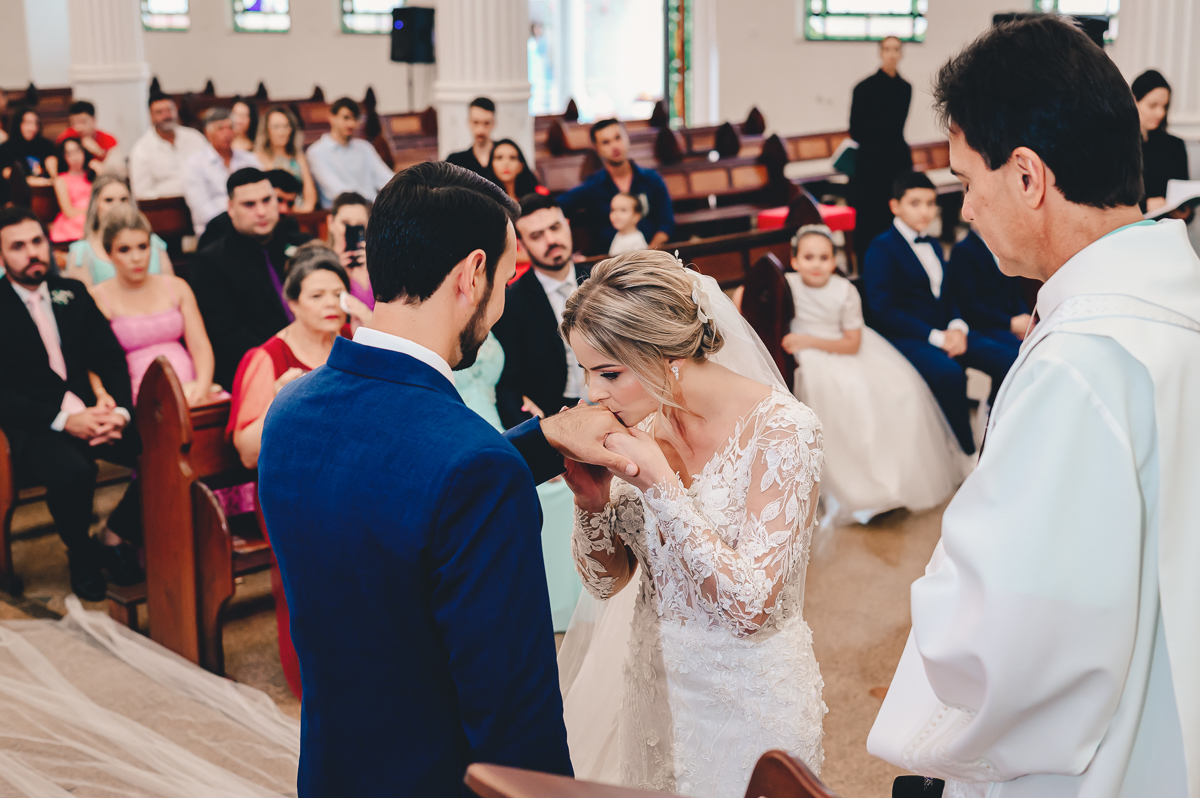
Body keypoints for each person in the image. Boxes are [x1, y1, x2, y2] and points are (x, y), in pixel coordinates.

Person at [867, 16, 1200, 796]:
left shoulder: (1082, 364)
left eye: (965, 182)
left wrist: (949, 574)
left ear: (1026, 177)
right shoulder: (1175, 300)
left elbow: (1007, 649)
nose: (965, 210)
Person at [256, 161, 641, 796]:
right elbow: (514, 715)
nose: (504, 298)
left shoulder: (290, 413)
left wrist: (542, 438)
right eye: (507, 276)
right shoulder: (472, 467)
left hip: (331, 770)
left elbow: (393, 493)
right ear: (472, 273)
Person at [557, 251, 826, 796]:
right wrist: (591, 502)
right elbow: (606, 583)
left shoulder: (783, 430)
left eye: (608, 373)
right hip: (655, 689)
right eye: (585, 371)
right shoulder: (640, 424)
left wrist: (660, 483)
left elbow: (751, 608)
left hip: (748, 698)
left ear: (668, 353)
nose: (593, 393)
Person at [0, 207, 143, 601]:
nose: (32, 253)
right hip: (34, 424)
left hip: (93, 413)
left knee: (159, 450)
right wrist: (64, 420)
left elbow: (111, 357)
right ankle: (81, 555)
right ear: (1, 255)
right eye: (17, 246)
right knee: (73, 471)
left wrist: (120, 412)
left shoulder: (74, 293)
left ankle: (117, 534)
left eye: (37, 242)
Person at [782, 225, 968, 524]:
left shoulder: (844, 290)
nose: (816, 264)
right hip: (808, 359)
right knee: (838, 396)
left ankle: (888, 484)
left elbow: (852, 343)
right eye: (808, 257)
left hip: (840, 348)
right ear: (794, 261)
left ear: (834, 261)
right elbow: (747, 297)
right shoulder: (786, 285)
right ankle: (852, 489)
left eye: (824, 258)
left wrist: (808, 341)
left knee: (897, 392)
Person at [227, 245, 349, 699]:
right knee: (310, 585)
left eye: (337, 293)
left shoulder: (353, 342)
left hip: (350, 479)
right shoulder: (268, 357)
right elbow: (245, 451)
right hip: (293, 491)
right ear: (292, 301)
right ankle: (313, 680)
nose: (331, 304)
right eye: (317, 295)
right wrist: (282, 401)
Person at [862, 171, 1018, 454]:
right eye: (915, 203)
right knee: (949, 374)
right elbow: (883, 310)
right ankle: (966, 452)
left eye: (930, 203)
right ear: (895, 206)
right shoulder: (881, 248)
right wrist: (936, 337)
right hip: (908, 336)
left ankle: (997, 430)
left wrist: (957, 327)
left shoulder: (933, 243)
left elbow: (948, 296)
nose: (925, 211)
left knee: (1011, 358)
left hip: (945, 330)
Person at [189, 168, 311, 388]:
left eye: (267, 200)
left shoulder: (303, 245)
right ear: (230, 208)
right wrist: (284, 359)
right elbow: (227, 335)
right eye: (249, 205)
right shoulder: (209, 263)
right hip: (257, 371)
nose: (262, 211)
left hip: (315, 358)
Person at [88, 205, 215, 406]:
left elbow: (200, 345)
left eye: (143, 246)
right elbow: (92, 360)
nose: (136, 258)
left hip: (191, 392)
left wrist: (202, 388)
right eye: (124, 250)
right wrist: (101, 394)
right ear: (108, 253)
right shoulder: (96, 298)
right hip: (135, 402)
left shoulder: (177, 287)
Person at [493, 193, 591, 428]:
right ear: (522, 245)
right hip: (556, 415)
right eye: (537, 236)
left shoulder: (601, 280)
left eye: (555, 228)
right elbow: (508, 383)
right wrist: (535, 427)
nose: (551, 240)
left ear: (567, 226)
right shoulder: (511, 302)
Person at [559, 119, 675, 253]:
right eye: (606, 142)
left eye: (618, 138)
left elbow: (666, 223)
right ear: (597, 149)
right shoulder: (593, 186)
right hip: (609, 259)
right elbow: (559, 205)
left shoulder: (651, 179)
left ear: (627, 139)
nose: (614, 146)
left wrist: (648, 254)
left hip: (651, 254)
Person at [849, 36, 913, 264]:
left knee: (894, 214)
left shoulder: (905, 88)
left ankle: (895, 261)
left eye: (896, 49)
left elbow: (898, 125)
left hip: (896, 160)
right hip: (871, 162)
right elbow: (856, 130)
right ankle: (867, 263)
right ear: (880, 53)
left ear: (901, 53)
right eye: (887, 49)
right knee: (870, 216)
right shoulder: (863, 87)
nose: (892, 54)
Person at [64, 175, 175, 287]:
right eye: (109, 200)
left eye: (123, 199)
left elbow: (171, 288)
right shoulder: (82, 252)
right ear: (95, 205)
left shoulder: (153, 242)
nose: (117, 206)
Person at [946, 225, 1031, 344]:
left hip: (1015, 322)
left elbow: (1016, 290)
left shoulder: (1006, 246)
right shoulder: (963, 250)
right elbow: (969, 304)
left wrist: (1025, 320)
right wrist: (1010, 323)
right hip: (986, 327)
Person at [182, 107, 260, 236]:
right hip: (213, 231)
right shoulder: (195, 164)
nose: (227, 133)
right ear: (208, 133)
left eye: (230, 127)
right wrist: (235, 223)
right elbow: (201, 207)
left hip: (250, 227)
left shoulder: (249, 159)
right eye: (220, 129)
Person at [306, 97, 394, 208]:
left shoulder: (365, 147)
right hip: (342, 211)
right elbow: (334, 190)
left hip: (373, 209)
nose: (351, 124)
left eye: (355, 119)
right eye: (346, 118)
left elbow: (387, 179)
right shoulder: (316, 152)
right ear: (332, 117)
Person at [128, 93, 208, 200]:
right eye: (159, 112)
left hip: (204, 199)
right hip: (166, 204)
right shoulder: (141, 150)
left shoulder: (195, 138)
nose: (166, 116)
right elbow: (141, 192)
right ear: (151, 116)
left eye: (170, 110)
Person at [1132, 70, 1189, 213]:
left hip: (1169, 222)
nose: (1160, 113)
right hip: (1134, 223)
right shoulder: (1118, 145)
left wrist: (1185, 211)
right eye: (1153, 105)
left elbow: (1184, 196)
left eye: (1165, 106)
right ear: (1134, 100)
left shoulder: (1175, 145)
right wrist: (1146, 205)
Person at [254, 106, 318, 212]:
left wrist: (301, 210)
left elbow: (310, 198)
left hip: (300, 212)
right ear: (266, 130)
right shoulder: (257, 157)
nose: (282, 131)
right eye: (276, 127)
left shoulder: (298, 157)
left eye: (286, 126)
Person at [326, 191, 374, 310]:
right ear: (331, 222)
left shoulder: (379, 262)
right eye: (345, 223)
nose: (351, 230)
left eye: (359, 225)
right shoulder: (322, 264)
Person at [48, 138, 94, 244]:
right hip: (75, 220)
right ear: (64, 157)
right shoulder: (61, 180)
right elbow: (68, 211)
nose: (75, 156)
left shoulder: (93, 174)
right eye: (69, 153)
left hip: (95, 216)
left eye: (77, 151)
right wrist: (92, 211)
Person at [0, 106, 57, 185]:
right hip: (18, 191)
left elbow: (54, 176)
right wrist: (30, 181)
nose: (33, 128)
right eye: (28, 123)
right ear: (18, 124)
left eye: (36, 123)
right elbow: (7, 175)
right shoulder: (6, 149)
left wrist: (53, 175)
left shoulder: (46, 145)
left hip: (46, 189)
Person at [57, 101, 119, 168]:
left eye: (83, 122)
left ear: (93, 120)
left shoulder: (109, 140)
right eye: (74, 123)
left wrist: (99, 153)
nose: (78, 128)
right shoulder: (65, 138)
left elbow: (116, 168)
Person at [445, 97, 496, 177]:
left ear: (493, 124)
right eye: (476, 122)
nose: (480, 130)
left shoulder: (507, 157)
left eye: (486, 123)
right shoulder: (455, 162)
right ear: (469, 122)